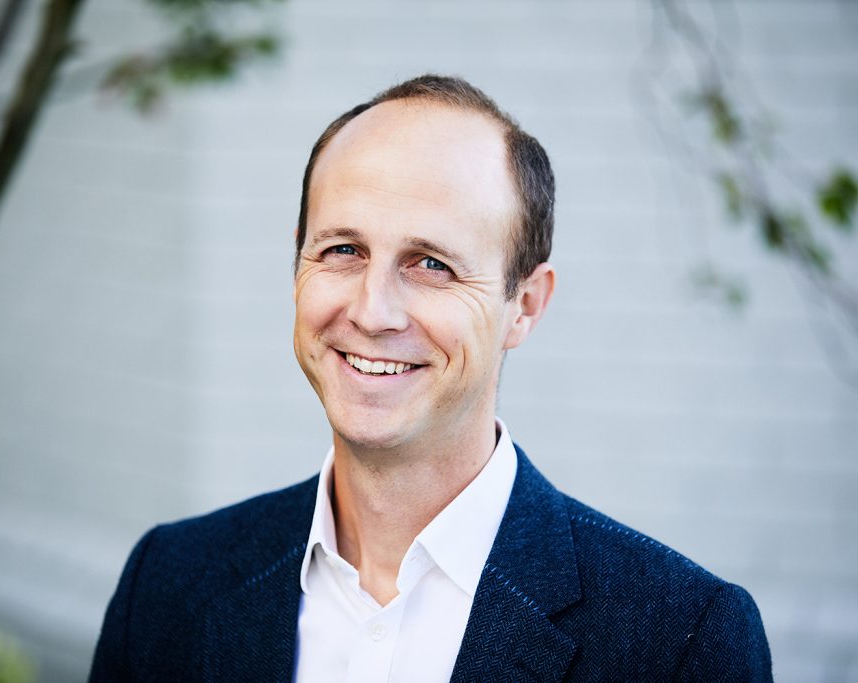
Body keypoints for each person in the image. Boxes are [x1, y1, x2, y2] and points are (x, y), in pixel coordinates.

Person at [89, 74, 772, 682]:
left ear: (525, 305)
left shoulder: (680, 639)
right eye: (343, 249)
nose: (371, 310)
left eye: (432, 263)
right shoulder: (169, 582)